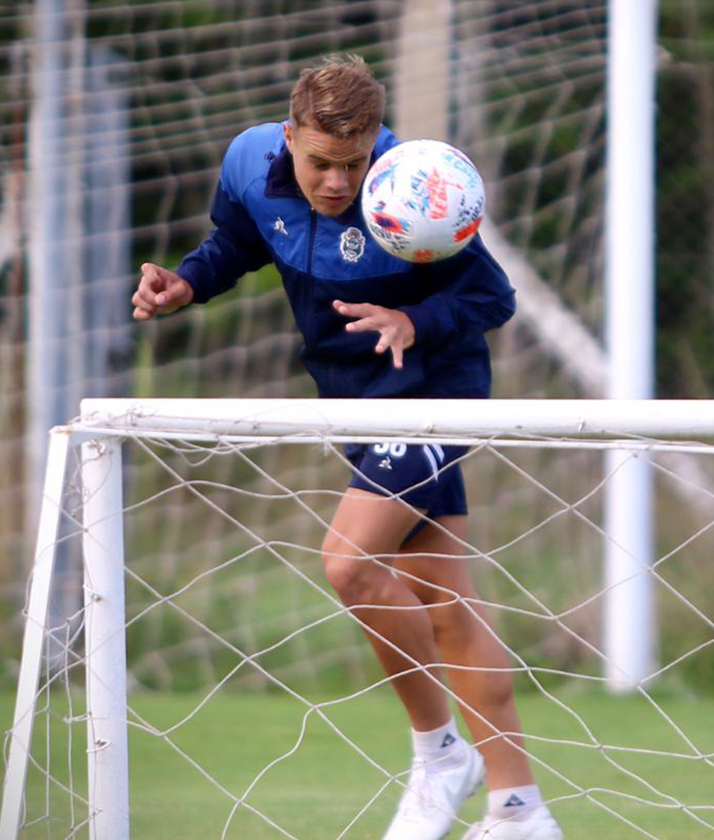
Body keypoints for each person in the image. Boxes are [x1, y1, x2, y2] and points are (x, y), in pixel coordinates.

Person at [130, 55, 562, 840]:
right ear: (289, 136)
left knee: (350, 564)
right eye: (320, 163)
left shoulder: (411, 186)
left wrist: (414, 321)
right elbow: (238, 241)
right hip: (352, 403)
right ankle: (519, 809)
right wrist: (189, 283)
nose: (337, 182)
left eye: (353, 164)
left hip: (432, 397)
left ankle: (441, 756)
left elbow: (491, 294)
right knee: (443, 597)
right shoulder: (248, 163)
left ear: (376, 146)